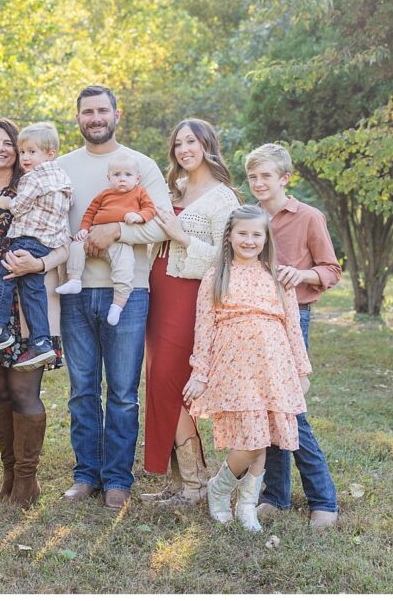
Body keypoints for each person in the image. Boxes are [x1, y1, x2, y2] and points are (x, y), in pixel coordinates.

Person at [45, 85, 172, 510]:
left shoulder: (141, 165)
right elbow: (49, 222)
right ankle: (86, 475)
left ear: (117, 114)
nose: (96, 118)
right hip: (75, 291)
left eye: (103, 110)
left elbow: (163, 223)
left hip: (128, 293)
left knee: (121, 392)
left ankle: (118, 478)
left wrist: (116, 230)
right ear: (78, 118)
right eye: (88, 112)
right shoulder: (61, 167)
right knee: (82, 390)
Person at [0, 119, 67, 509]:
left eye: (10, 143)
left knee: (23, 391)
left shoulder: (34, 183)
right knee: (1, 392)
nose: (2, 149)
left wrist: (39, 265)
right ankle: (7, 479)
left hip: (23, 304)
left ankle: (26, 483)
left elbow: (64, 239)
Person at [184, 205, 311, 532]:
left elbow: (293, 327)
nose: (249, 240)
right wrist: (200, 373)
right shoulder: (217, 275)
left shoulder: (278, 276)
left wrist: (301, 370)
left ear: (266, 238)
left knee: (263, 437)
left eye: (257, 234)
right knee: (251, 439)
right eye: (243, 233)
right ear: (229, 236)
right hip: (234, 366)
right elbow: (204, 327)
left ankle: (246, 506)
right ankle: (220, 488)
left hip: (273, 367)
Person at [137, 118, 241, 510]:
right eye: (178, 143)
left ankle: (196, 484)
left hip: (189, 295)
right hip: (156, 289)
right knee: (157, 380)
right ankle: (180, 482)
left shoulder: (223, 198)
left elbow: (228, 260)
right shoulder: (172, 189)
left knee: (170, 381)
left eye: (191, 142)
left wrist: (181, 237)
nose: (184, 149)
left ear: (207, 145)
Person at [246, 143, 341, 528]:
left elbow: (331, 269)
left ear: (285, 178)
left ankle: (324, 499)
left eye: (266, 176)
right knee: (267, 408)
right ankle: (276, 495)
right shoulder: (249, 217)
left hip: (291, 318)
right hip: (253, 320)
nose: (258, 183)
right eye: (252, 176)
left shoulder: (308, 217)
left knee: (289, 408)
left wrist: (301, 274)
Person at [0, 122, 72, 369]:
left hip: (26, 250)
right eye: (23, 151)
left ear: (49, 153)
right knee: (31, 290)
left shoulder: (30, 180)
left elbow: (20, 208)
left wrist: (38, 264)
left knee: (3, 277)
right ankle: (40, 342)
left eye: (9, 144)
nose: (25, 156)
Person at [56, 155, 157, 325]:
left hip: (121, 242)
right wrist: (84, 229)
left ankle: (117, 306)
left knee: (125, 268)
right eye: (117, 175)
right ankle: (74, 280)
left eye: (128, 175)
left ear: (137, 178)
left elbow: (150, 209)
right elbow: (90, 212)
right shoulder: (104, 194)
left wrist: (139, 216)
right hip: (93, 235)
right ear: (109, 178)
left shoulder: (139, 192)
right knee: (75, 246)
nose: (122, 179)